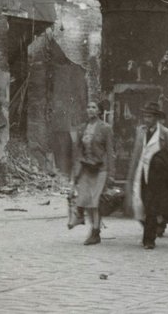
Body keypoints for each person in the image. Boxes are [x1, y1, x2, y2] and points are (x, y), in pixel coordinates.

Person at [125, 102, 168, 250]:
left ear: (156, 118)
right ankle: (155, 226)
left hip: (158, 175)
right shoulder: (141, 131)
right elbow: (136, 153)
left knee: (151, 206)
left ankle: (149, 240)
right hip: (142, 172)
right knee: (140, 203)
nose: (146, 119)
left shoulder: (166, 134)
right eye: (145, 116)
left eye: (149, 116)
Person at [69, 102, 115, 245]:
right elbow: (77, 151)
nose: (90, 109)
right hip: (86, 168)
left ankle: (95, 233)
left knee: (95, 202)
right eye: (88, 107)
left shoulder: (106, 128)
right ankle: (82, 219)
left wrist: (111, 174)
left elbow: (110, 151)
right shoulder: (82, 128)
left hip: (101, 169)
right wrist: (75, 172)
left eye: (94, 107)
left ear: (99, 111)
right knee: (83, 199)